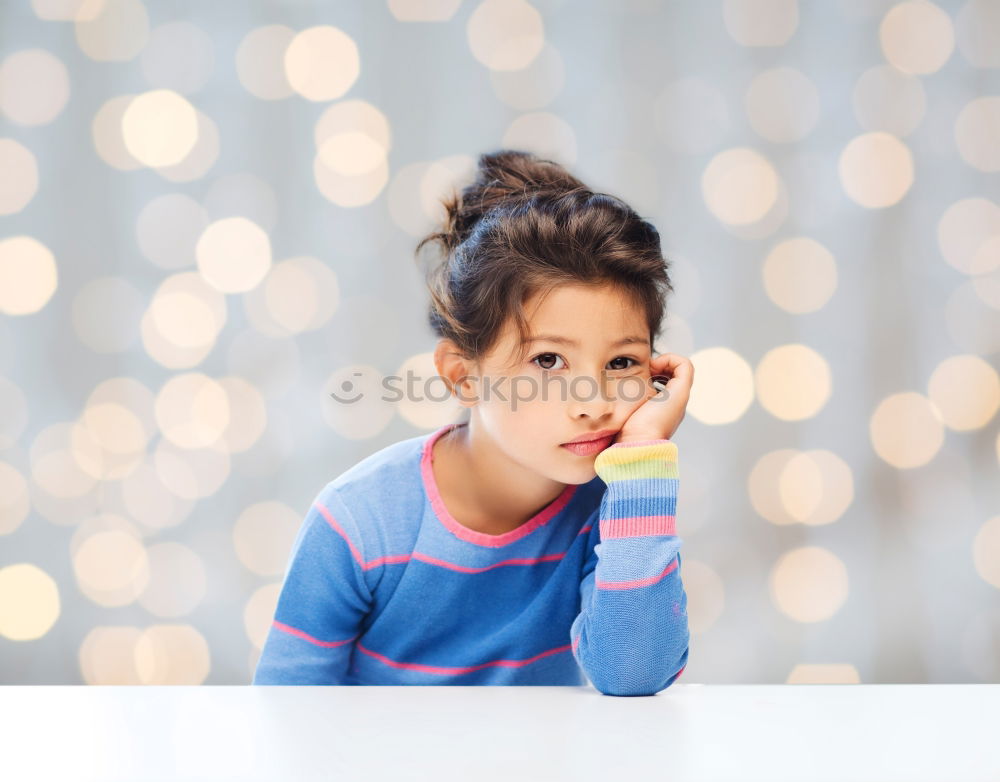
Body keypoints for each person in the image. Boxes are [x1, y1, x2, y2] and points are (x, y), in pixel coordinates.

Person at [252, 149, 694, 696]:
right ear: (463, 376)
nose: (594, 402)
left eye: (622, 362)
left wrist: (643, 456)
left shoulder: (617, 508)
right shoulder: (360, 522)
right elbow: (283, 707)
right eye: (549, 361)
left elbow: (633, 674)